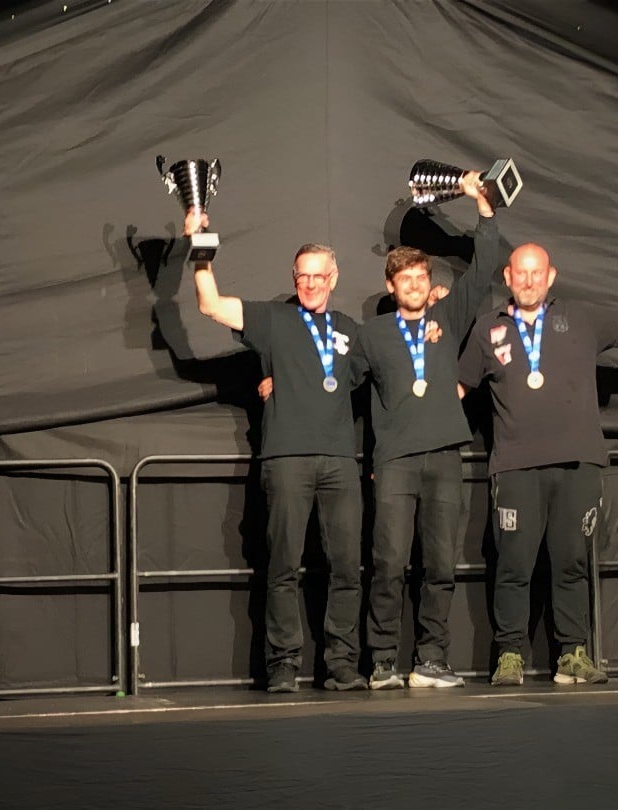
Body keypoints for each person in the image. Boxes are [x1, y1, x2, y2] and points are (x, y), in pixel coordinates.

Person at [457, 241, 618, 686]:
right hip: (516, 466)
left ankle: (572, 653)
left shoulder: (580, 317)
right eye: (521, 273)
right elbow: (459, 388)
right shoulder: (488, 328)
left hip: (578, 462)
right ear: (507, 277)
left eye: (536, 273)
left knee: (571, 562)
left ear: (551, 277)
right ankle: (509, 654)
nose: (528, 281)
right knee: (513, 565)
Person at [184, 209, 366, 693]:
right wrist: (201, 248)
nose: (311, 284)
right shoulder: (272, 319)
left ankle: (342, 663)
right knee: (283, 565)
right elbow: (209, 305)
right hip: (287, 458)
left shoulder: (351, 330)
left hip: (339, 461)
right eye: (303, 276)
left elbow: (388, 365)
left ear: (333, 278)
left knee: (346, 567)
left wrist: (431, 321)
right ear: (294, 278)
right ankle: (283, 663)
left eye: (319, 276)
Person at [354, 173, 498, 689]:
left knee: (440, 564)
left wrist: (484, 210)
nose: (414, 285)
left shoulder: (448, 317)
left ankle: (431, 658)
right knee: (389, 563)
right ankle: (382, 660)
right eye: (405, 279)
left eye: (420, 277)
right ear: (391, 287)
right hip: (395, 461)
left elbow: (483, 269)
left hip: (444, 457)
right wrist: (277, 377)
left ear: (429, 281)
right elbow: (338, 385)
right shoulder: (371, 335)